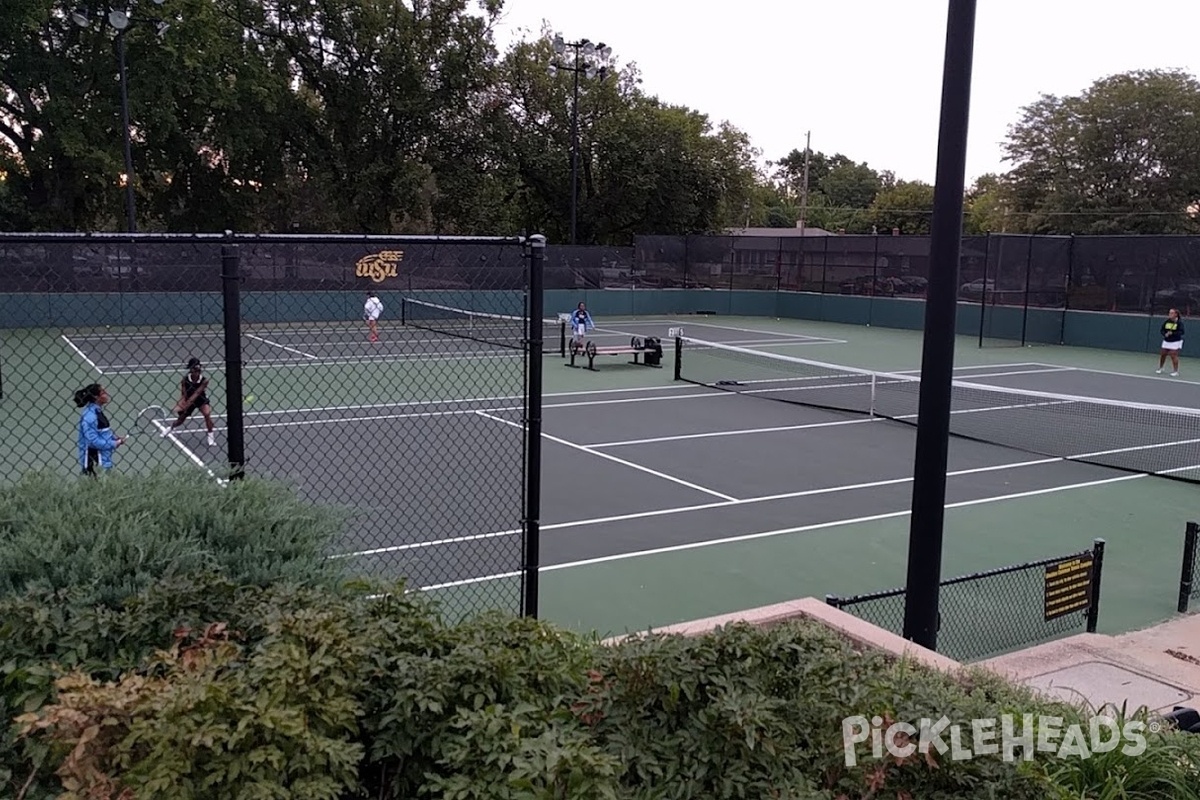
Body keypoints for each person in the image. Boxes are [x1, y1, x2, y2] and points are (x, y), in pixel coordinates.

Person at [162, 357, 216, 445]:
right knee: (180, 420)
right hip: (188, 399)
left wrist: (188, 404)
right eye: (195, 369)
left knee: (207, 414)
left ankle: (211, 437)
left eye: (198, 369)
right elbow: (184, 394)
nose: (197, 371)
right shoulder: (185, 380)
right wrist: (181, 404)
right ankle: (170, 428)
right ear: (191, 369)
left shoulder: (204, 381)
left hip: (201, 399)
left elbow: (197, 393)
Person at [74, 383, 124, 476]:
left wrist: (114, 438)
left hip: (104, 460)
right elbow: (93, 442)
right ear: (96, 397)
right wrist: (114, 443)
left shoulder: (97, 411)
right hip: (95, 463)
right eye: (103, 392)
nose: (107, 394)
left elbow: (102, 432)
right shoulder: (90, 416)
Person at [1157, 308, 1185, 377]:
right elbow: (1162, 330)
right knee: (1163, 354)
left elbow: (1182, 332)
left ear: (1176, 314)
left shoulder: (1179, 323)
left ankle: (1175, 371)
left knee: (1173, 355)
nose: (1170, 314)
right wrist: (1165, 334)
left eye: (1172, 313)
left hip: (1175, 341)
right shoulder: (1167, 321)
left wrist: (1172, 333)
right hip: (1166, 341)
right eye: (1169, 313)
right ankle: (1161, 368)